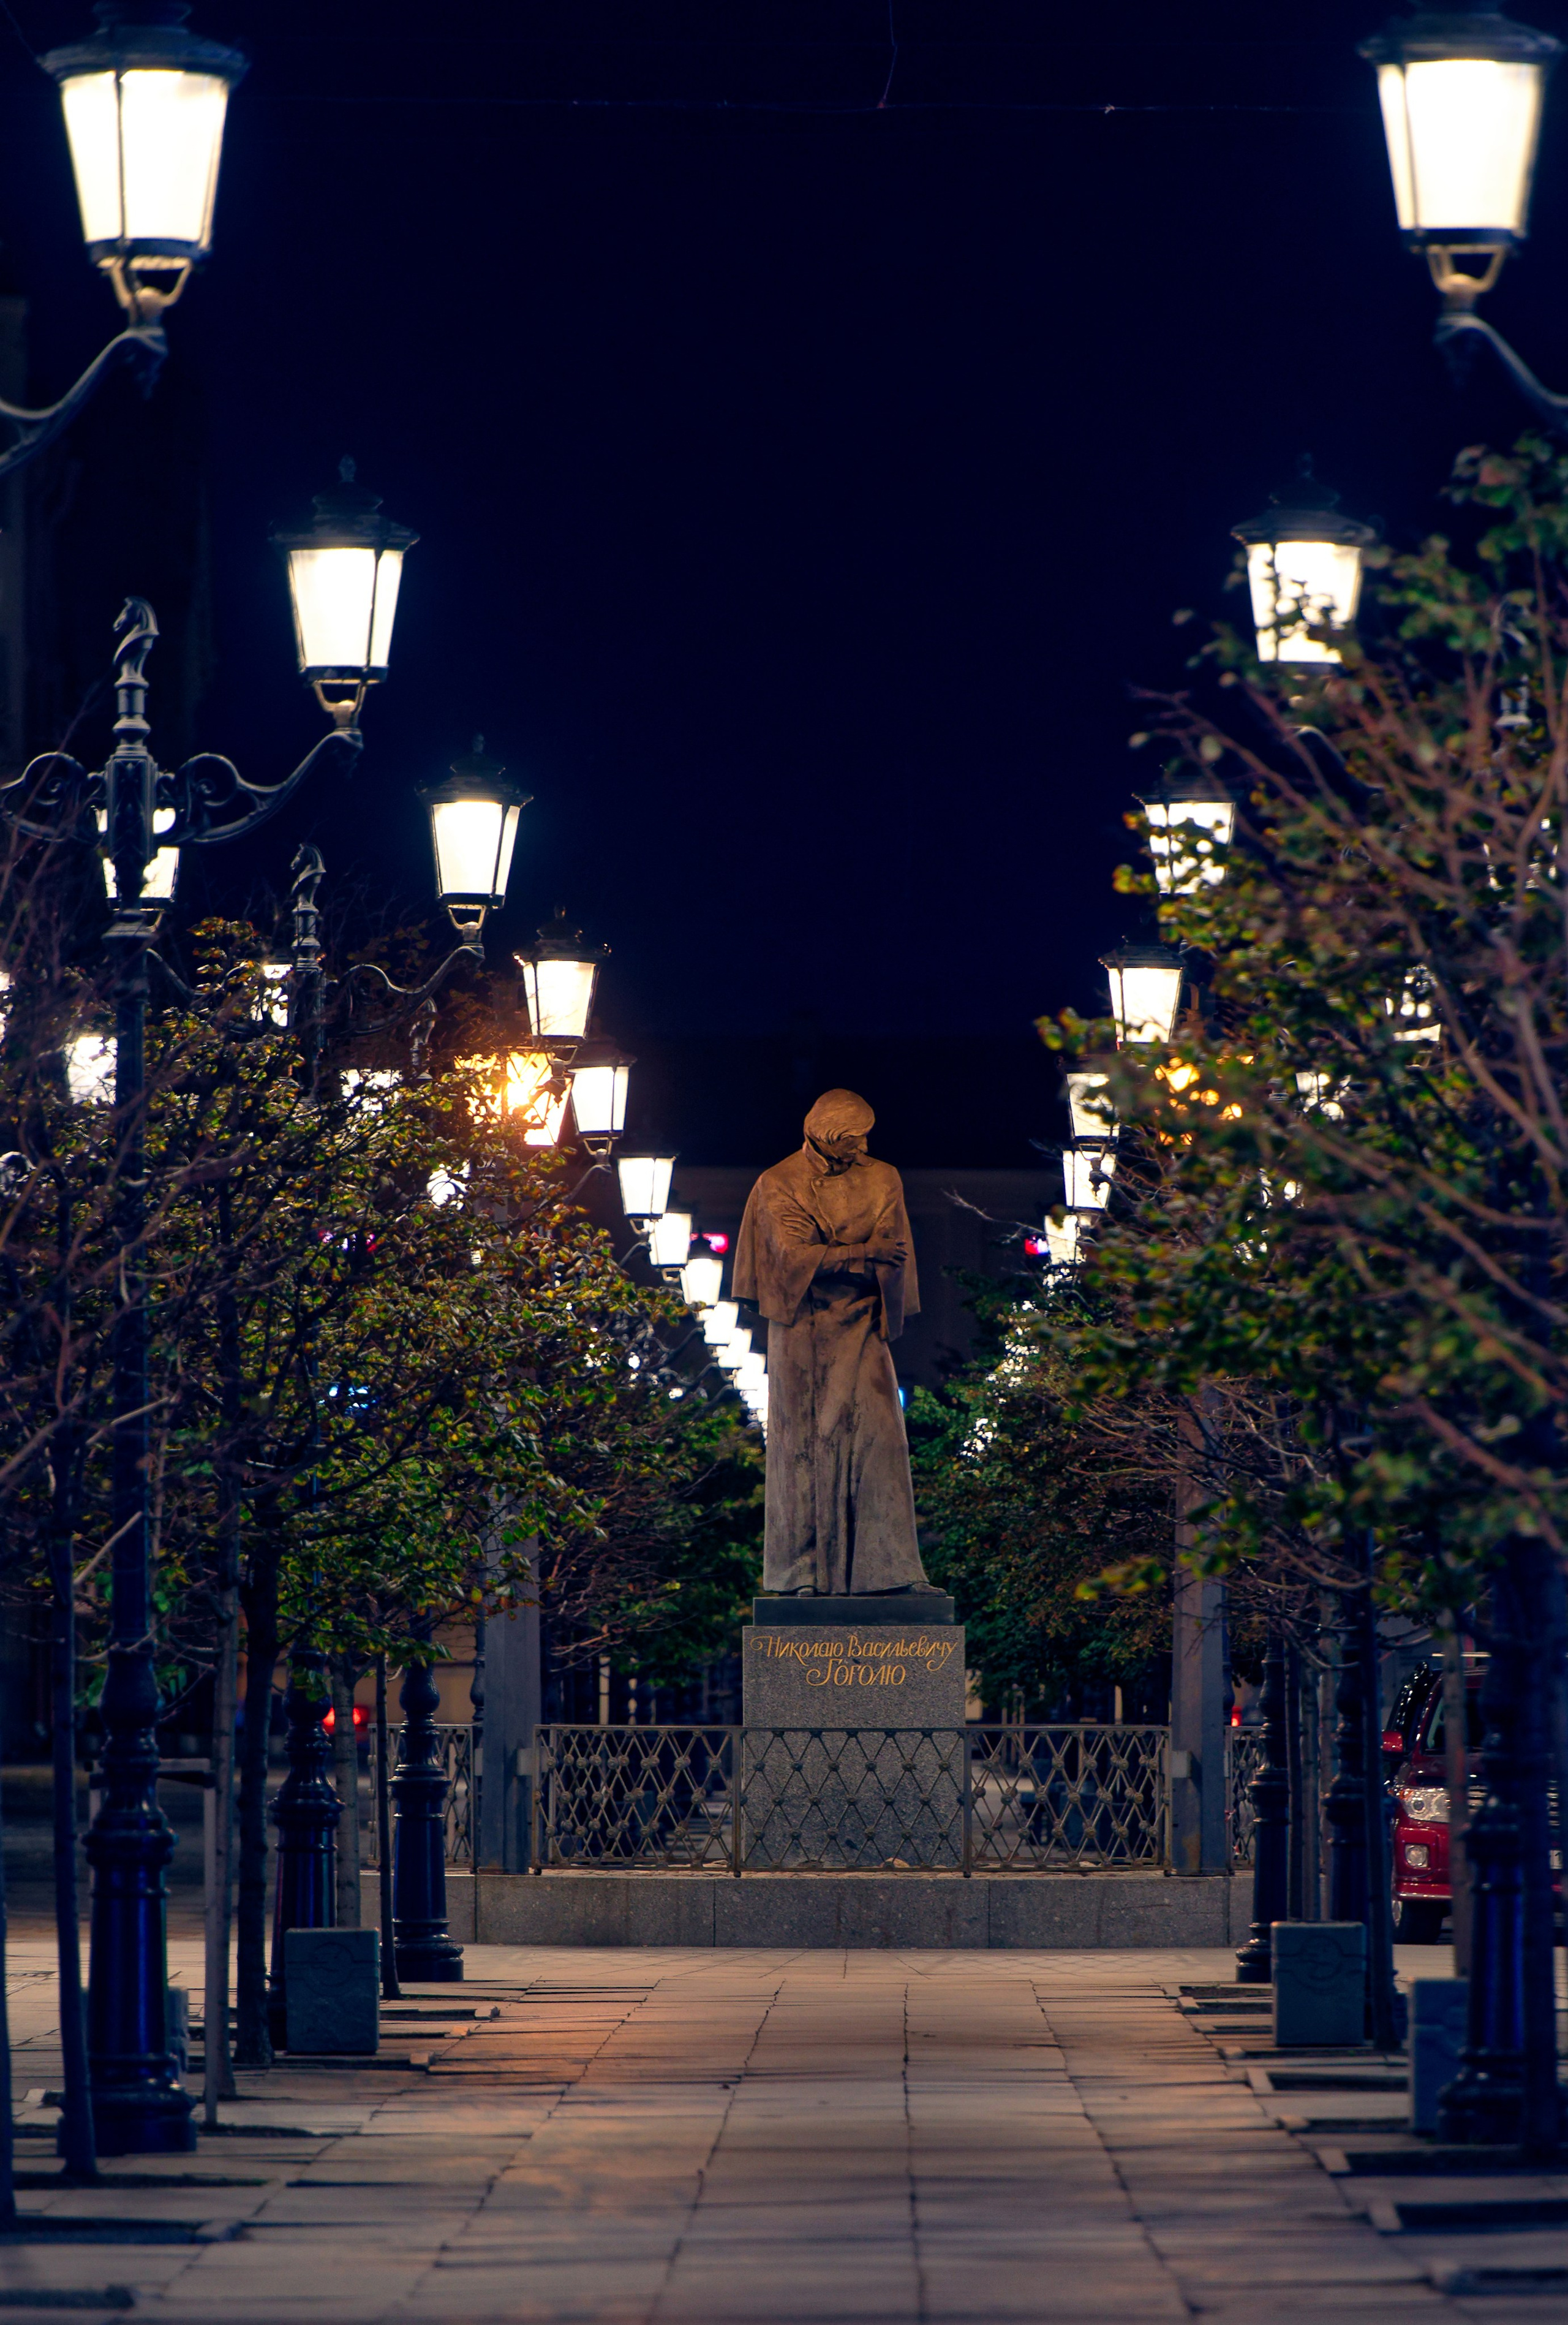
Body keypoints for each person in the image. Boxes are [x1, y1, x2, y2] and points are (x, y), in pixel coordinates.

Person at [732, 1089, 931, 1597]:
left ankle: (891, 1572)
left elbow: (894, 1252)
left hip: (863, 1323)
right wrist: (863, 1253)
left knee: (882, 1440)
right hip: (802, 1329)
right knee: (803, 1447)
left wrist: (842, 1258)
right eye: (853, 1139)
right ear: (825, 1136)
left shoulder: (884, 1177)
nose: (863, 1147)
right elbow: (791, 1260)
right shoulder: (779, 1182)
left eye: (866, 1137)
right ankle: (801, 1575)